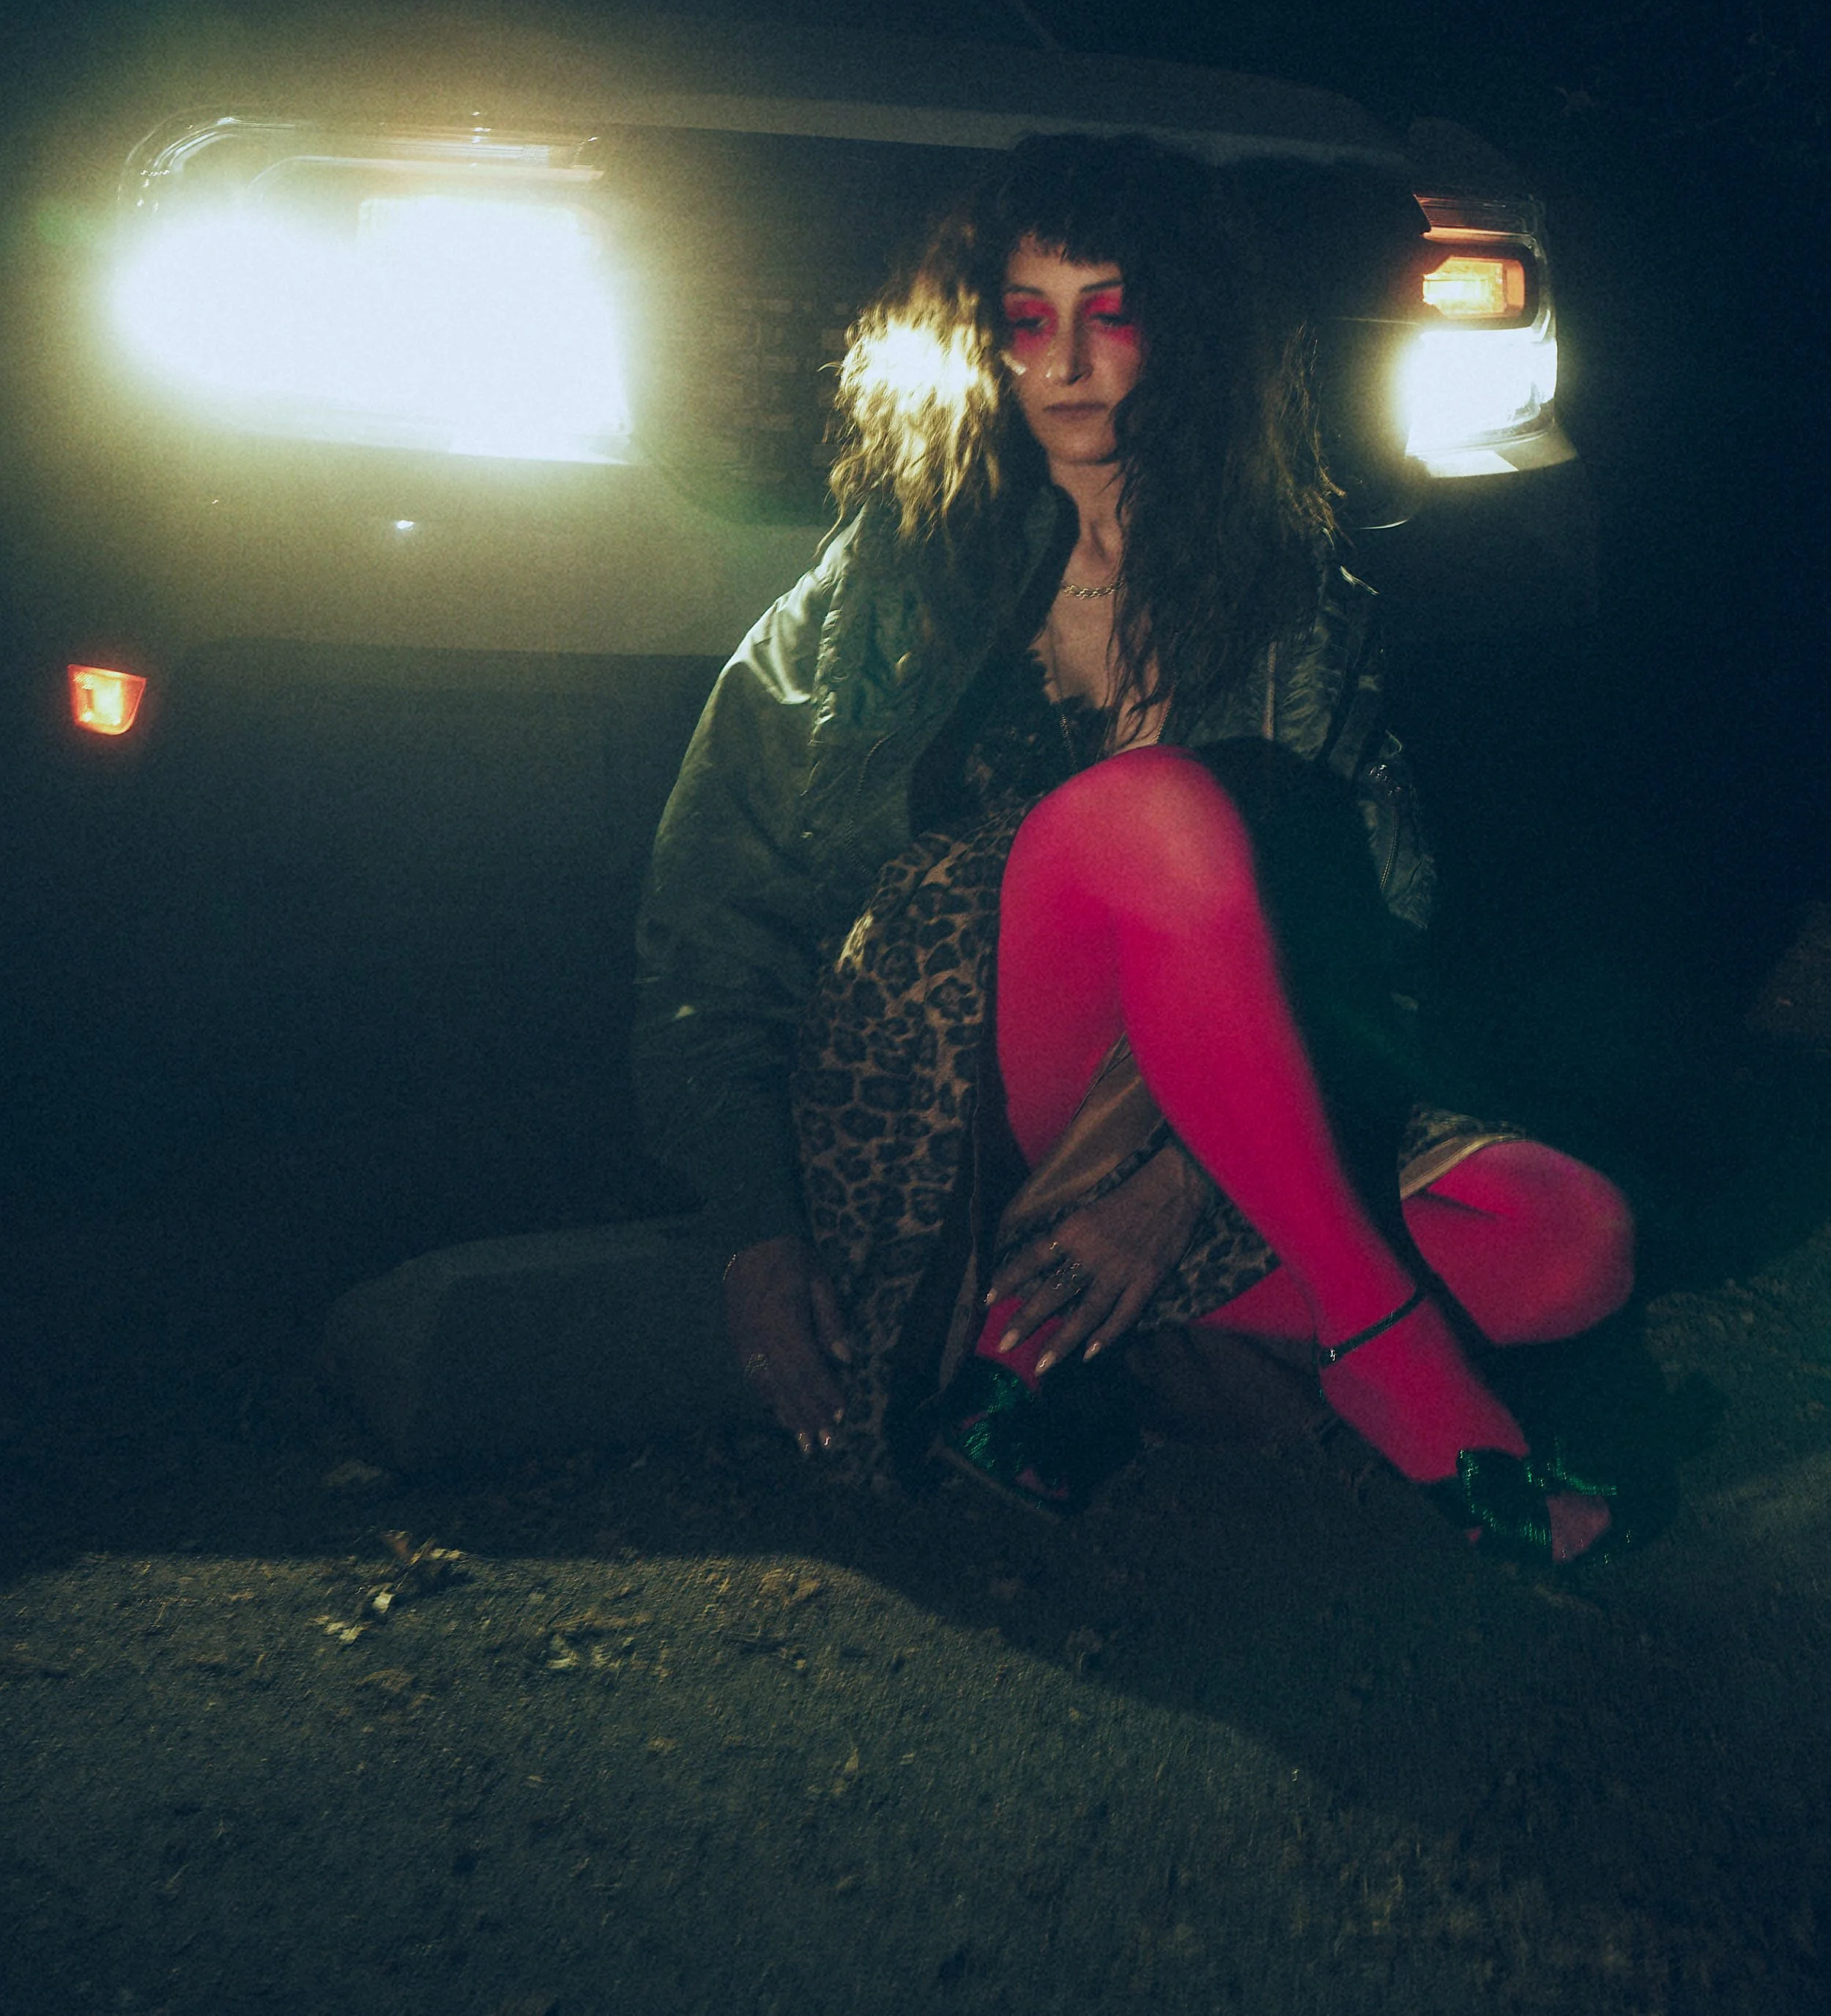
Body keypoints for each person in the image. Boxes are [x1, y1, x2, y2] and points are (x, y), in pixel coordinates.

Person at [634, 133, 1635, 1564]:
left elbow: (1375, 943)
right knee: (1156, 809)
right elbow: (709, 923)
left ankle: (1029, 1342)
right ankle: (1401, 1370)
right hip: (938, 1108)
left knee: (1567, 1237)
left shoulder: (1290, 596)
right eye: (1025, 320)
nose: (1067, 364)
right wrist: (750, 1226)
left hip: (1184, 1123)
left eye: (1110, 311)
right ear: (977, 346)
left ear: (1186, 327)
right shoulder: (892, 581)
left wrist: (1175, 1194)